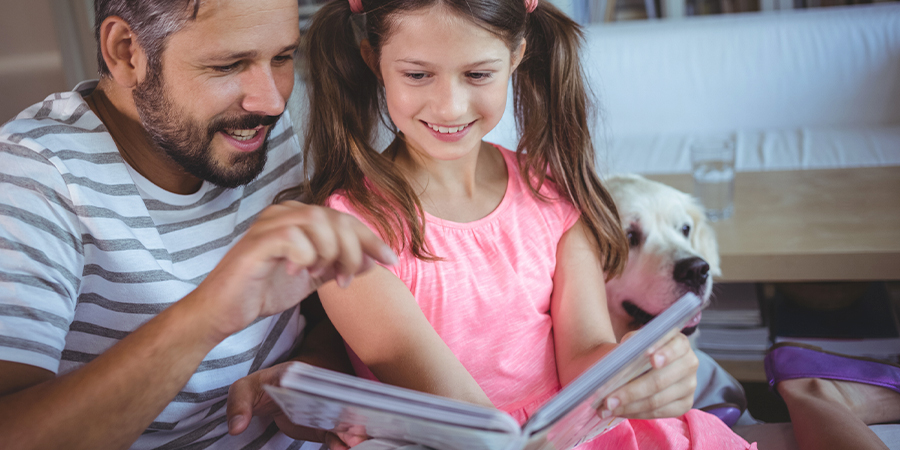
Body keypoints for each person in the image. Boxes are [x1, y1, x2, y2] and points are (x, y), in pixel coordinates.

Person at [238, 0, 758, 447]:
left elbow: (584, 358)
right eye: (417, 74)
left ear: (517, 54)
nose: (450, 105)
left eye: (478, 74)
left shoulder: (551, 191)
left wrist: (649, 368)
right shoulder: (353, 228)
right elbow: (472, 428)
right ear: (374, 59)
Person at [0, 0, 397, 448]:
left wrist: (317, 370)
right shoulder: (29, 180)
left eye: (283, 57)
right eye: (228, 65)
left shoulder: (254, 128)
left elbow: (319, 311)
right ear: (127, 51)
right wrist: (208, 316)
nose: (271, 100)